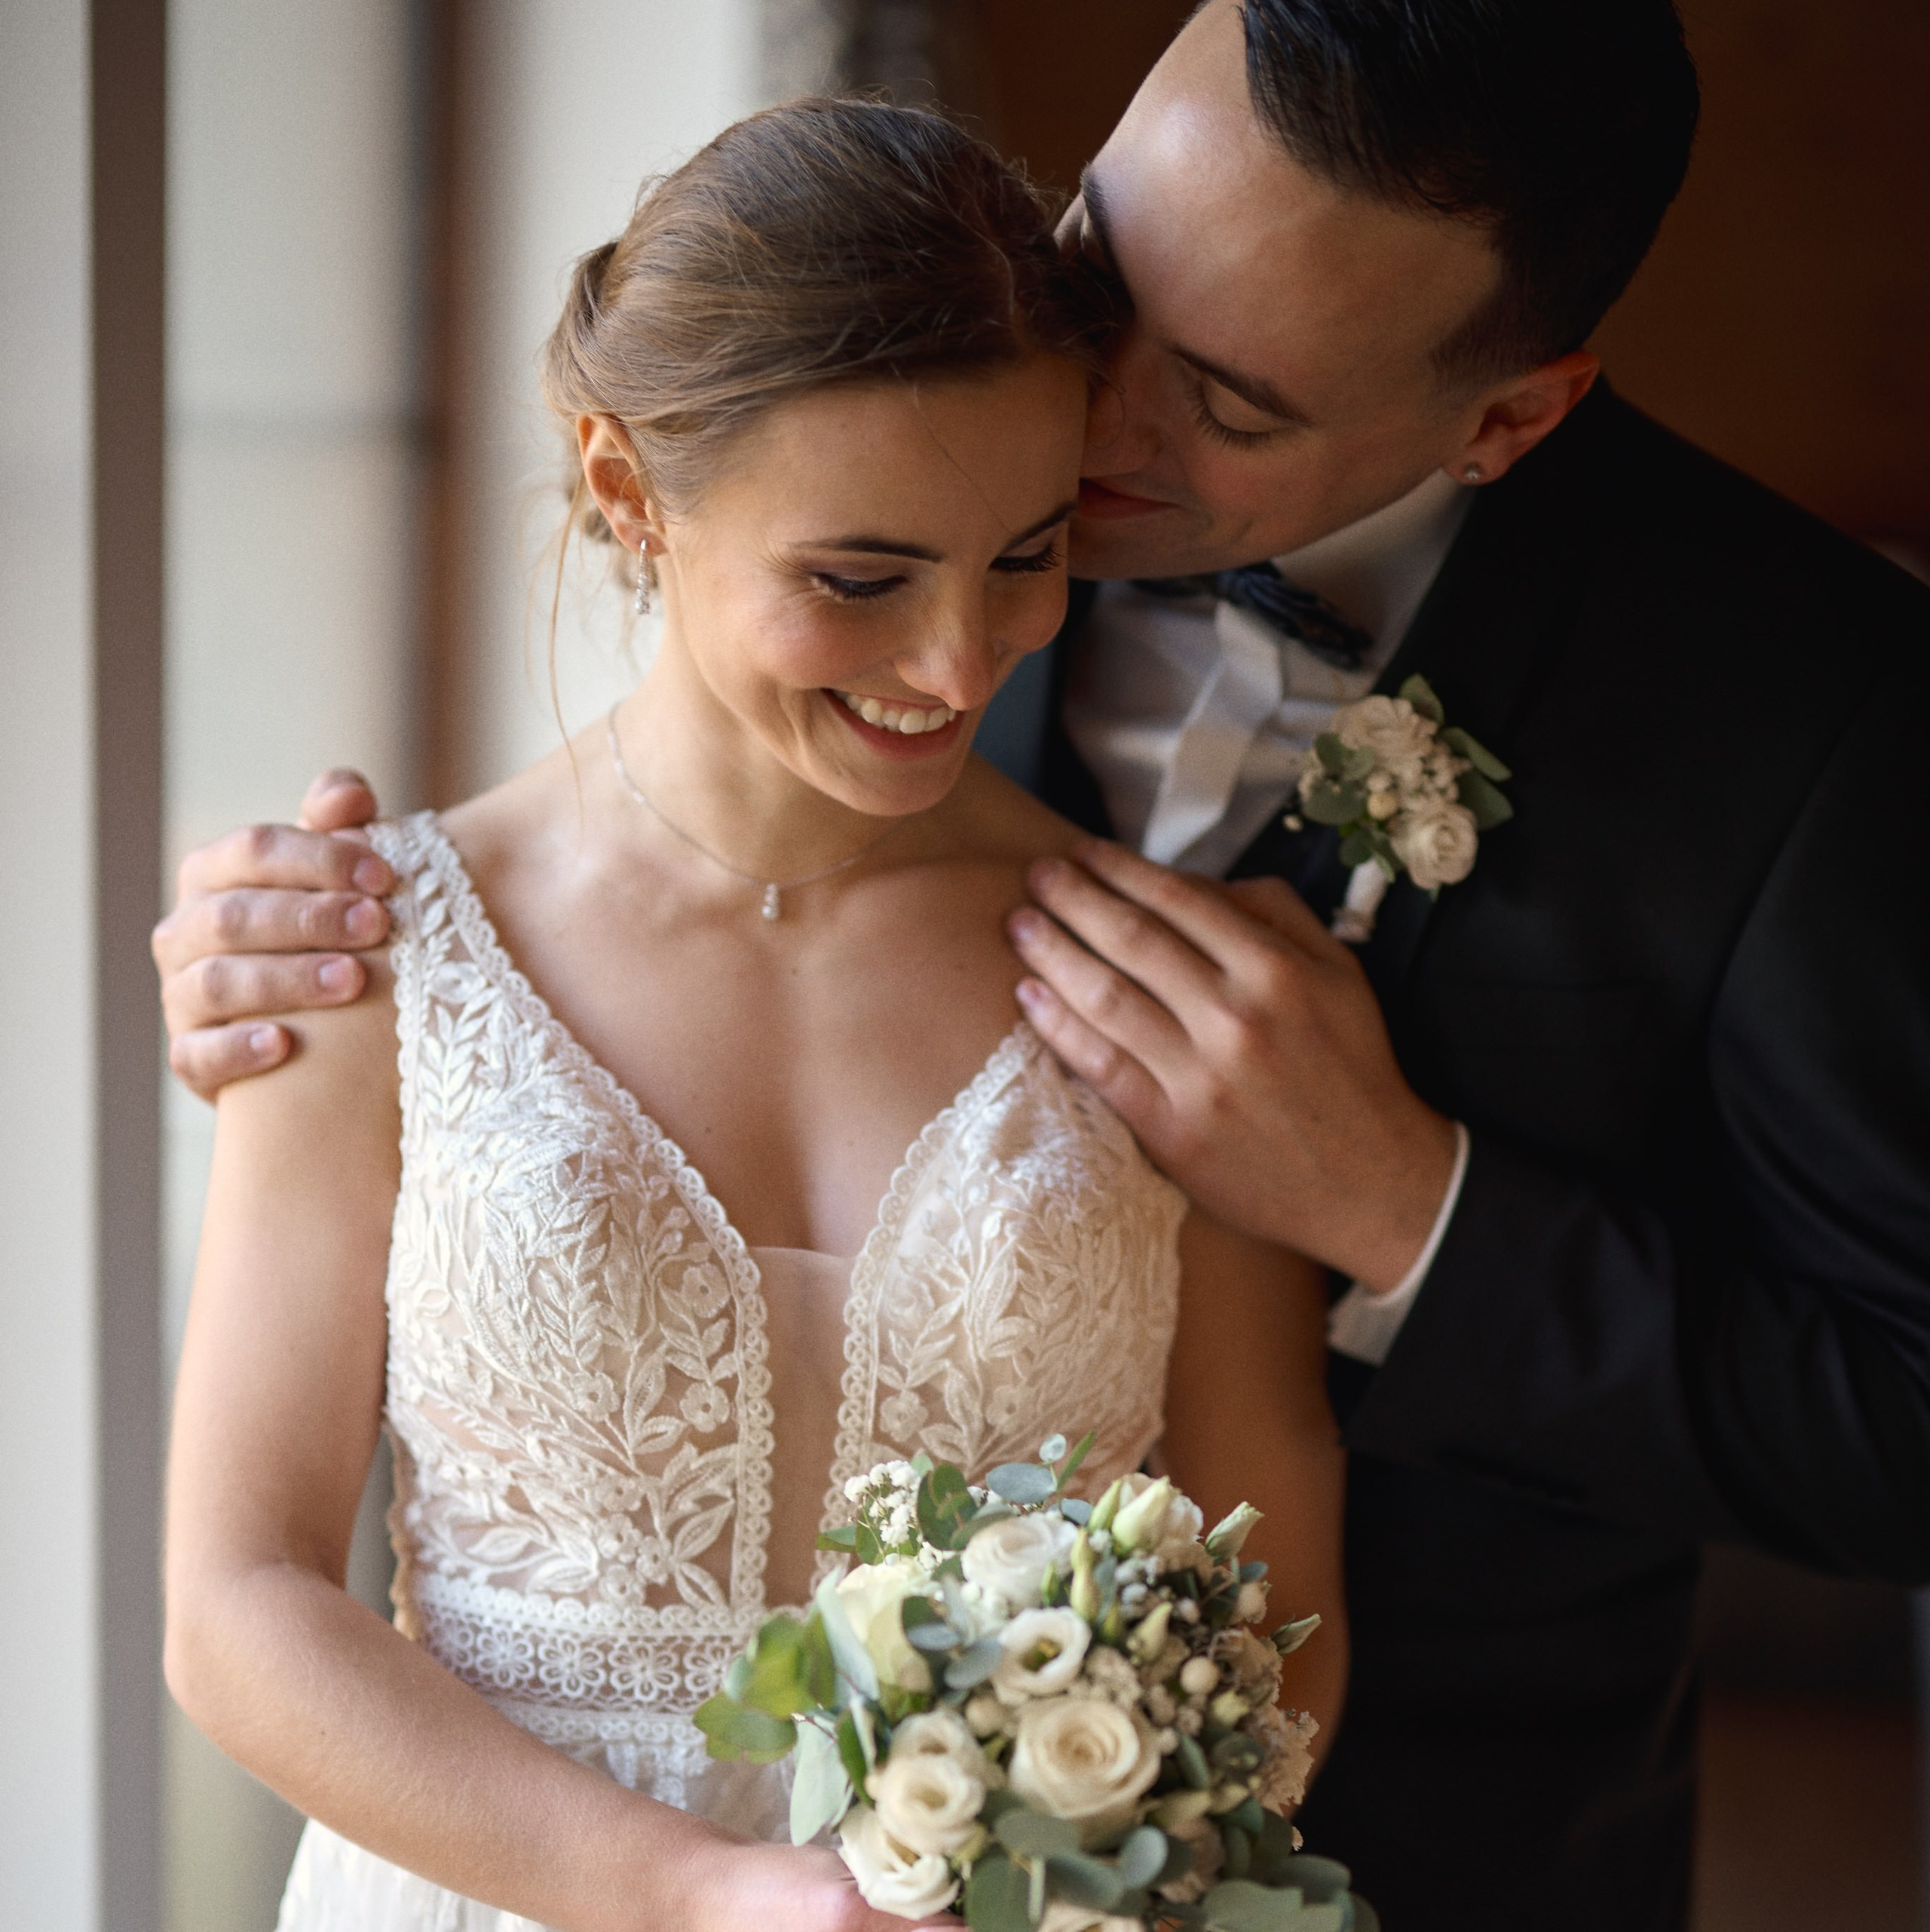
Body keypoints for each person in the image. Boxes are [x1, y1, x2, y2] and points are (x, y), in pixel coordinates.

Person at [155, 2, 1930, 1927]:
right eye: (1098, 268)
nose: (1079, 421)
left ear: (1503, 417)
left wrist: (1403, 1205)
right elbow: (243, 1584)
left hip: (1411, 1834)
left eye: (1226, 404)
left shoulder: (1809, 714)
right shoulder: (940, 407)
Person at [162, 100, 1349, 1932]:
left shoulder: (1168, 994)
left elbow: (1276, 1607)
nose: (960, 661)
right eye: (859, 579)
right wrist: (702, 1895)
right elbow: (238, 1606)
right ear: (626, 488)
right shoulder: (370, 955)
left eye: (1024, 554)